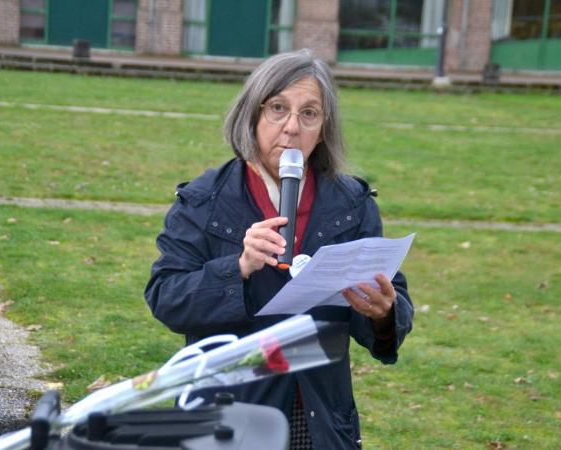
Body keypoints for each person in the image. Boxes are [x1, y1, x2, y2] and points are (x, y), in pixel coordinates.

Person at [144, 49, 413, 450]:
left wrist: (383, 314)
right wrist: (238, 266)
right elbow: (166, 297)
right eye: (277, 108)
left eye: (309, 114)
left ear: (323, 128)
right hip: (230, 417)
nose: (291, 128)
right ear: (251, 116)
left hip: (319, 417)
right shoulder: (204, 200)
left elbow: (393, 307)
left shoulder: (351, 203)